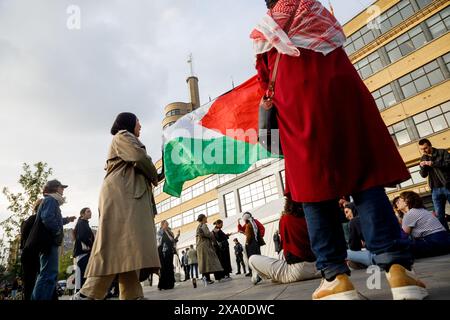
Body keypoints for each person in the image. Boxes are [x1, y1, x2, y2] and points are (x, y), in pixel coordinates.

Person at [251, 0, 427, 300]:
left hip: (300, 112)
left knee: (314, 190)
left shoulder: (265, 33)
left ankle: (336, 281)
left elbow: (264, 82)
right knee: (366, 180)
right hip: (345, 102)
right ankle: (398, 272)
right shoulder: (319, 14)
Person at [73, 112, 160, 300]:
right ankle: (88, 294)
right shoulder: (123, 135)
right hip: (123, 196)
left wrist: (156, 175)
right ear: (129, 123)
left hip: (124, 194)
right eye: (138, 122)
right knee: (114, 246)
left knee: (126, 247)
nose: (141, 126)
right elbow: (139, 156)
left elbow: (139, 166)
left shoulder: (122, 139)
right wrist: (154, 173)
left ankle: (133, 295)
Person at [248, 197, 320, 285]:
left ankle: (262, 275)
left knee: (252, 259)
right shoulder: (314, 217)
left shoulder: (286, 219)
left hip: (297, 271)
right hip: (320, 267)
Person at [31, 180, 76, 300]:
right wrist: (57, 232)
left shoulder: (50, 201)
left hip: (48, 242)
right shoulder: (51, 200)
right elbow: (47, 218)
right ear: (55, 188)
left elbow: (55, 218)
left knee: (47, 273)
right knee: (48, 274)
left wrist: (67, 220)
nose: (63, 190)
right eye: (62, 187)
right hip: (49, 242)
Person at [396, 191, 450, 258]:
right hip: (445, 241)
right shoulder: (423, 210)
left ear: (406, 201)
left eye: (399, 200)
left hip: (434, 242)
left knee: (399, 245)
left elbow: (403, 235)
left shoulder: (410, 214)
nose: (397, 203)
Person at [418, 139, 450, 231]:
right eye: (422, 149)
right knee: (439, 215)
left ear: (430, 146)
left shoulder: (442, 152)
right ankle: (447, 235)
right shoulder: (423, 158)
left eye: (425, 148)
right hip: (435, 189)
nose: (424, 151)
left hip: (447, 186)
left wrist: (433, 163)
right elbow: (423, 175)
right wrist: (423, 167)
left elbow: (448, 164)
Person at [20, 199, 43, 300]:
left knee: (34, 280)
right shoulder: (34, 219)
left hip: (32, 253)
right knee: (30, 282)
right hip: (30, 254)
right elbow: (25, 236)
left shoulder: (36, 219)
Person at [344, 203, 375, 269]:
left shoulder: (354, 221)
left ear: (353, 209)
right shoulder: (371, 216)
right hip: (394, 251)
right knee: (351, 263)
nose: (346, 216)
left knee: (343, 253)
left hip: (375, 255)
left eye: (347, 212)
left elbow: (354, 247)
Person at [196, 214, 223, 284]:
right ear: (203, 218)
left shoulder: (199, 226)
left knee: (204, 263)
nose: (206, 218)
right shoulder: (203, 225)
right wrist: (213, 232)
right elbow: (208, 234)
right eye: (205, 217)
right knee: (212, 262)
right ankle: (216, 278)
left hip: (201, 246)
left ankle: (207, 279)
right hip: (205, 246)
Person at [73, 207, 95, 293]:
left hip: (83, 254)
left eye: (90, 211)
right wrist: (92, 246)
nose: (90, 213)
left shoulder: (84, 223)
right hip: (83, 254)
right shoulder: (82, 223)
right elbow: (82, 236)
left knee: (82, 276)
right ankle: (80, 294)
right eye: (88, 211)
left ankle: (81, 294)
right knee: (82, 277)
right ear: (82, 214)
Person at [156, 220, 180, 290]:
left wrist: (177, 235)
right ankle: (162, 285)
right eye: (166, 224)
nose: (167, 225)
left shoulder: (169, 232)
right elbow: (159, 242)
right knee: (164, 268)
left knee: (169, 267)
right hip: (163, 252)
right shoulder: (160, 232)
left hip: (169, 252)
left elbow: (173, 241)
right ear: (162, 225)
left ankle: (170, 284)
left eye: (168, 224)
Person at [242, 212, 266, 279]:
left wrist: (259, 236)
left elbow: (261, 229)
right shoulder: (250, 222)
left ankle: (256, 272)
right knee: (256, 256)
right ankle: (254, 271)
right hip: (254, 242)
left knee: (252, 257)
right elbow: (242, 229)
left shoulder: (250, 223)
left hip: (252, 243)